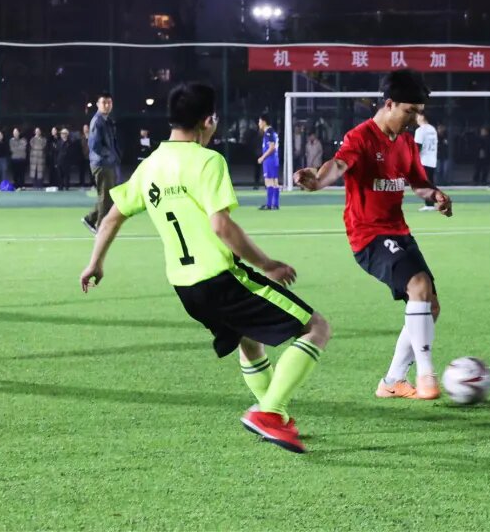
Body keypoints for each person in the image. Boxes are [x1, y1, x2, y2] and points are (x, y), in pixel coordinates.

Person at [80, 82, 330, 454]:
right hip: (219, 278)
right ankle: (269, 413)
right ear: (208, 120)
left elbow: (112, 217)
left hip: (186, 288)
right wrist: (268, 264)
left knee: (249, 341)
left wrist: (95, 262)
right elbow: (221, 226)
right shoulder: (207, 161)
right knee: (316, 328)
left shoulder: (150, 166)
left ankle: (274, 416)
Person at [294, 70, 452, 401]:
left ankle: (392, 381)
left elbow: (418, 182)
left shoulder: (405, 142)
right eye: (409, 111)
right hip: (368, 236)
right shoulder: (361, 137)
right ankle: (426, 376)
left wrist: (435, 195)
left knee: (430, 306)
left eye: (418, 112)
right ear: (389, 104)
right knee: (419, 286)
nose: (414, 118)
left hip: (399, 232)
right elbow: (338, 165)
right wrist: (318, 180)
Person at [84, 93, 121, 233]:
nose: (107, 105)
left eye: (109, 102)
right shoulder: (98, 121)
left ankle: (90, 219)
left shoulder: (107, 120)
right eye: (104, 102)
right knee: (105, 198)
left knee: (108, 197)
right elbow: (94, 144)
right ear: (98, 104)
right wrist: (109, 154)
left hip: (107, 163)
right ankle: (101, 230)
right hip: (101, 164)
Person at [414, 111, 439, 211]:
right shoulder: (432, 129)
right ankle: (431, 204)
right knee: (429, 183)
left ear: (422, 117)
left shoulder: (420, 130)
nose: (416, 118)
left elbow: (417, 146)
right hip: (432, 159)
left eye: (417, 116)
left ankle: (430, 205)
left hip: (423, 160)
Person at [257, 114, 280, 210]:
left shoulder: (268, 132)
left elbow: (271, 147)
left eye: (259, 121)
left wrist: (262, 157)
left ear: (264, 122)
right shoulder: (272, 132)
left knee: (269, 181)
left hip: (270, 160)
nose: (258, 124)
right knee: (275, 181)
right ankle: (275, 204)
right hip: (274, 159)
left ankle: (269, 204)